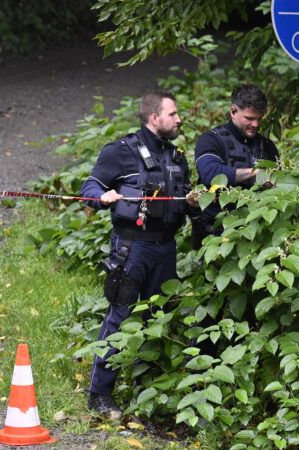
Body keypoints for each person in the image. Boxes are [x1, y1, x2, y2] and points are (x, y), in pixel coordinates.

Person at [80, 90, 199, 419]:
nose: (179, 119)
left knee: (162, 319)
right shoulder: (121, 151)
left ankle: (153, 390)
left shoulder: (177, 158)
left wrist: (197, 207)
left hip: (167, 250)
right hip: (133, 248)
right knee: (119, 317)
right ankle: (99, 396)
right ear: (154, 118)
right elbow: (87, 189)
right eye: (173, 114)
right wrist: (102, 197)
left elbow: (189, 206)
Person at [192, 84, 279, 249]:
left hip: (258, 235)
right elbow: (210, 174)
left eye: (259, 118)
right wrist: (256, 174)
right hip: (216, 236)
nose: (256, 124)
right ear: (233, 111)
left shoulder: (266, 145)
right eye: (249, 118)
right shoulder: (211, 140)